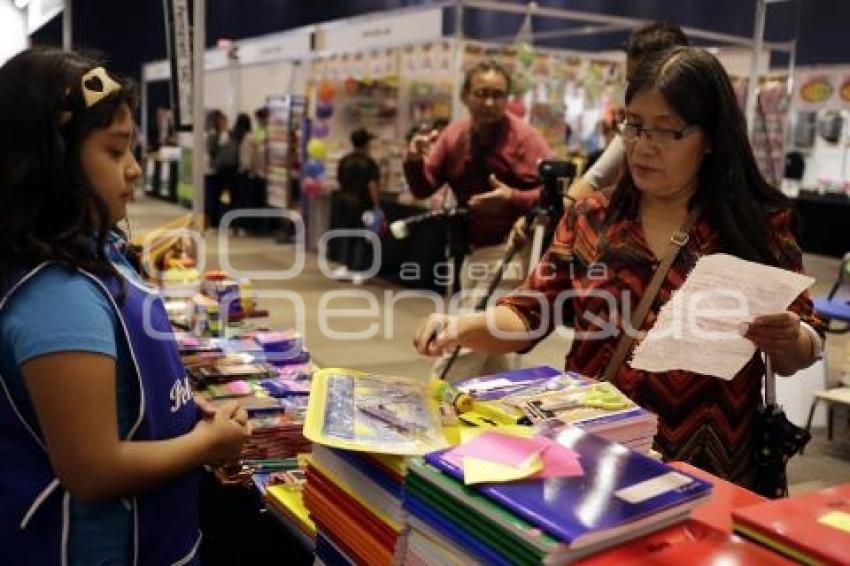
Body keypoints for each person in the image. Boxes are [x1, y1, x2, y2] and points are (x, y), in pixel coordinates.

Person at [415, 47, 824, 491]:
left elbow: (801, 348)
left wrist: (789, 337)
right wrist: (457, 327)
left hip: (708, 465)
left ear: (711, 138)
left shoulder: (757, 225)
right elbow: (530, 313)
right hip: (595, 448)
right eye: (633, 126)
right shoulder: (592, 217)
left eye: (667, 132)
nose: (642, 147)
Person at [0, 48, 250, 564]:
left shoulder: (95, 250)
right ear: (50, 161)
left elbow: (115, 391)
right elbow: (93, 469)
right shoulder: (58, 298)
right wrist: (206, 445)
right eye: (115, 153)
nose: (135, 169)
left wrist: (176, 412)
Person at [404, 60, 552, 380]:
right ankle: (501, 407)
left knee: (467, 334)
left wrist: (513, 199)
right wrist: (414, 159)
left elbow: (559, 193)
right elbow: (423, 186)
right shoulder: (454, 135)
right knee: (495, 344)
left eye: (498, 95)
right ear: (465, 96)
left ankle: (435, 401)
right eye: (482, 93)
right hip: (472, 250)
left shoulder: (525, 139)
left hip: (513, 248)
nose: (489, 102)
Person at [334, 127, 382, 285]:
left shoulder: (344, 160)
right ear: (366, 143)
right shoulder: (369, 163)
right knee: (364, 237)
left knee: (348, 235)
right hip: (363, 205)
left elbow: (340, 181)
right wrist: (376, 207)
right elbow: (372, 185)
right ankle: (360, 269)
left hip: (345, 203)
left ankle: (345, 266)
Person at [232, 112, 253, 235]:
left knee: (235, 199)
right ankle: (243, 225)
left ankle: (234, 224)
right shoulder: (248, 136)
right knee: (244, 200)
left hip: (231, 170)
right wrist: (247, 167)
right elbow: (247, 156)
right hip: (243, 171)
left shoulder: (233, 135)